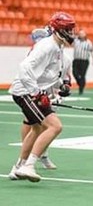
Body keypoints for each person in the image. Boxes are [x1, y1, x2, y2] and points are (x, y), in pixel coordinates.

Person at [8, 11, 76, 182]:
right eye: (68, 29)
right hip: (25, 91)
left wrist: (62, 86)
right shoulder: (47, 46)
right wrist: (35, 92)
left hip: (31, 91)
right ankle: (28, 166)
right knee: (54, 126)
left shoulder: (58, 48)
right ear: (58, 30)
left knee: (37, 128)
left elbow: (50, 74)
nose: (71, 33)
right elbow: (24, 68)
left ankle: (18, 167)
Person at [72, 29, 93, 95]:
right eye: (80, 33)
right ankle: (80, 83)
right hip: (76, 60)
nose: (81, 35)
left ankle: (81, 88)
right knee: (74, 73)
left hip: (84, 61)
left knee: (82, 75)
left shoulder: (88, 42)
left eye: (82, 33)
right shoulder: (76, 41)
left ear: (85, 34)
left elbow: (91, 51)